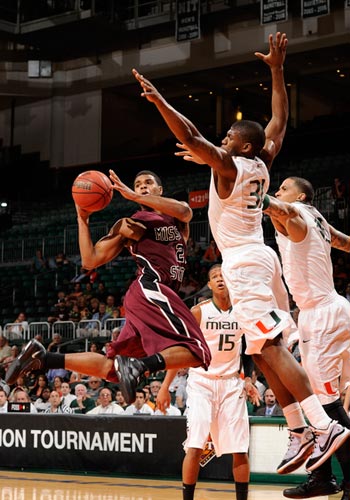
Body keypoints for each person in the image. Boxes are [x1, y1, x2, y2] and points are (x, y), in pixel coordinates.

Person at [131, 32, 350, 475]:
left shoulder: (229, 166)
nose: (225, 137)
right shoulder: (263, 161)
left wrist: (159, 102)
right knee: (261, 349)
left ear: (243, 146)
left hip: (245, 262)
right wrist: (276, 70)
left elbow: (191, 135)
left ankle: (323, 424)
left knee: (267, 348)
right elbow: (280, 122)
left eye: (231, 135)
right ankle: (298, 430)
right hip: (262, 257)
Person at [5, 170, 211, 407]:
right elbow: (89, 260)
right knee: (198, 350)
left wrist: (134, 195)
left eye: (148, 183)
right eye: (137, 184)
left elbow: (186, 211)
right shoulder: (130, 224)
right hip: (150, 289)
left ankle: (44, 358)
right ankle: (139, 365)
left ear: (159, 190)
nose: (142, 186)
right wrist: (82, 220)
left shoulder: (177, 217)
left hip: (151, 297)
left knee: (113, 369)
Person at [262, 176, 350, 499]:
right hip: (336, 307)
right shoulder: (319, 219)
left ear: (301, 196)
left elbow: (279, 209)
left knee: (325, 408)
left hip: (320, 315)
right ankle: (322, 475)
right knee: (320, 401)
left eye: (284, 187)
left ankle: (335, 480)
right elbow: (345, 243)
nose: (279, 191)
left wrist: (253, 193)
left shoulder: (296, 215)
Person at [157, 263, 259, 500]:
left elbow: (249, 351)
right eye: (214, 276)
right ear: (210, 285)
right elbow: (180, 349)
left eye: (223, 275)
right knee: (195, 445)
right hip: (202, 382)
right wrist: (164, 387)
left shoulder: (243, 312)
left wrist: (248, 379)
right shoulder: (199, 311)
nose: (220, 278)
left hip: (232, 384)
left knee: (240, 449)